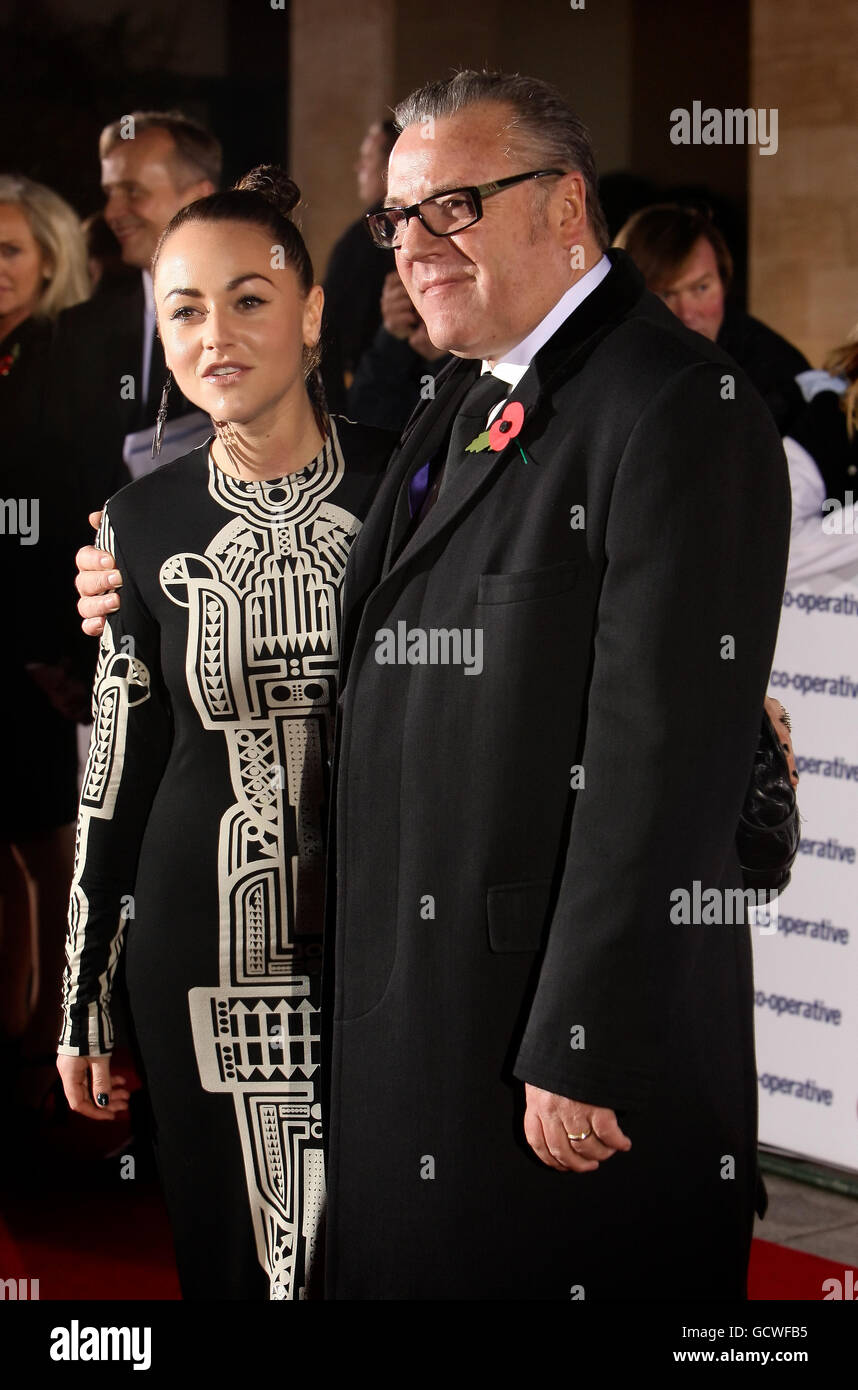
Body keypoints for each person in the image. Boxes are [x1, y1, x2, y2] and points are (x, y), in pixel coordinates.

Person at [76, 72, 791, 1302]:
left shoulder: (672, 403)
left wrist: (587, 1032)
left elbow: (657, 757)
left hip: (547, 1052)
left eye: (454, 204)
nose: (413, 244)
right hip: (422, 1021)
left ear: (568, 206)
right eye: (397, 217)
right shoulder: (463, 394)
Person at [57, 166, 393, 1300]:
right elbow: (117, 772)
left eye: (250, 299)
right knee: (235, 1257)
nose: (217, 335)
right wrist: (85, 996)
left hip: (395, 940)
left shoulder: (413, 486)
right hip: (202, 946)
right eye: (186, 310)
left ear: (309, 313)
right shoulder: (138, 520)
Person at [0, 174, 90, 1116]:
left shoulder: (60, 354)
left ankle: (52, 1044)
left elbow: (66, 509)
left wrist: (57, 649)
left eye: (10, 250)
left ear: (50, 259)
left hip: (36, 643)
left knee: (49, 850)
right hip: (6, 637)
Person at [44, 110, 222, 502]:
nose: (112, 213)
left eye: (133, 191)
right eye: (110, 193)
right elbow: (58, 479)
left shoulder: (267, 322)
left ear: (198, 197)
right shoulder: (79, 330)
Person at [614, 202, 809, 435]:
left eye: (701, 288)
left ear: (724, 283)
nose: (686, 314)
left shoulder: (775, 376)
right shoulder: (606, 366)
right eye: (666, 294)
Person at [322, 120, 398, 396]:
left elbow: (334, 324)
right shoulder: (363, 234)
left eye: (367, 158)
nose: (358, 168)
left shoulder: (368, 235)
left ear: (391, 168)